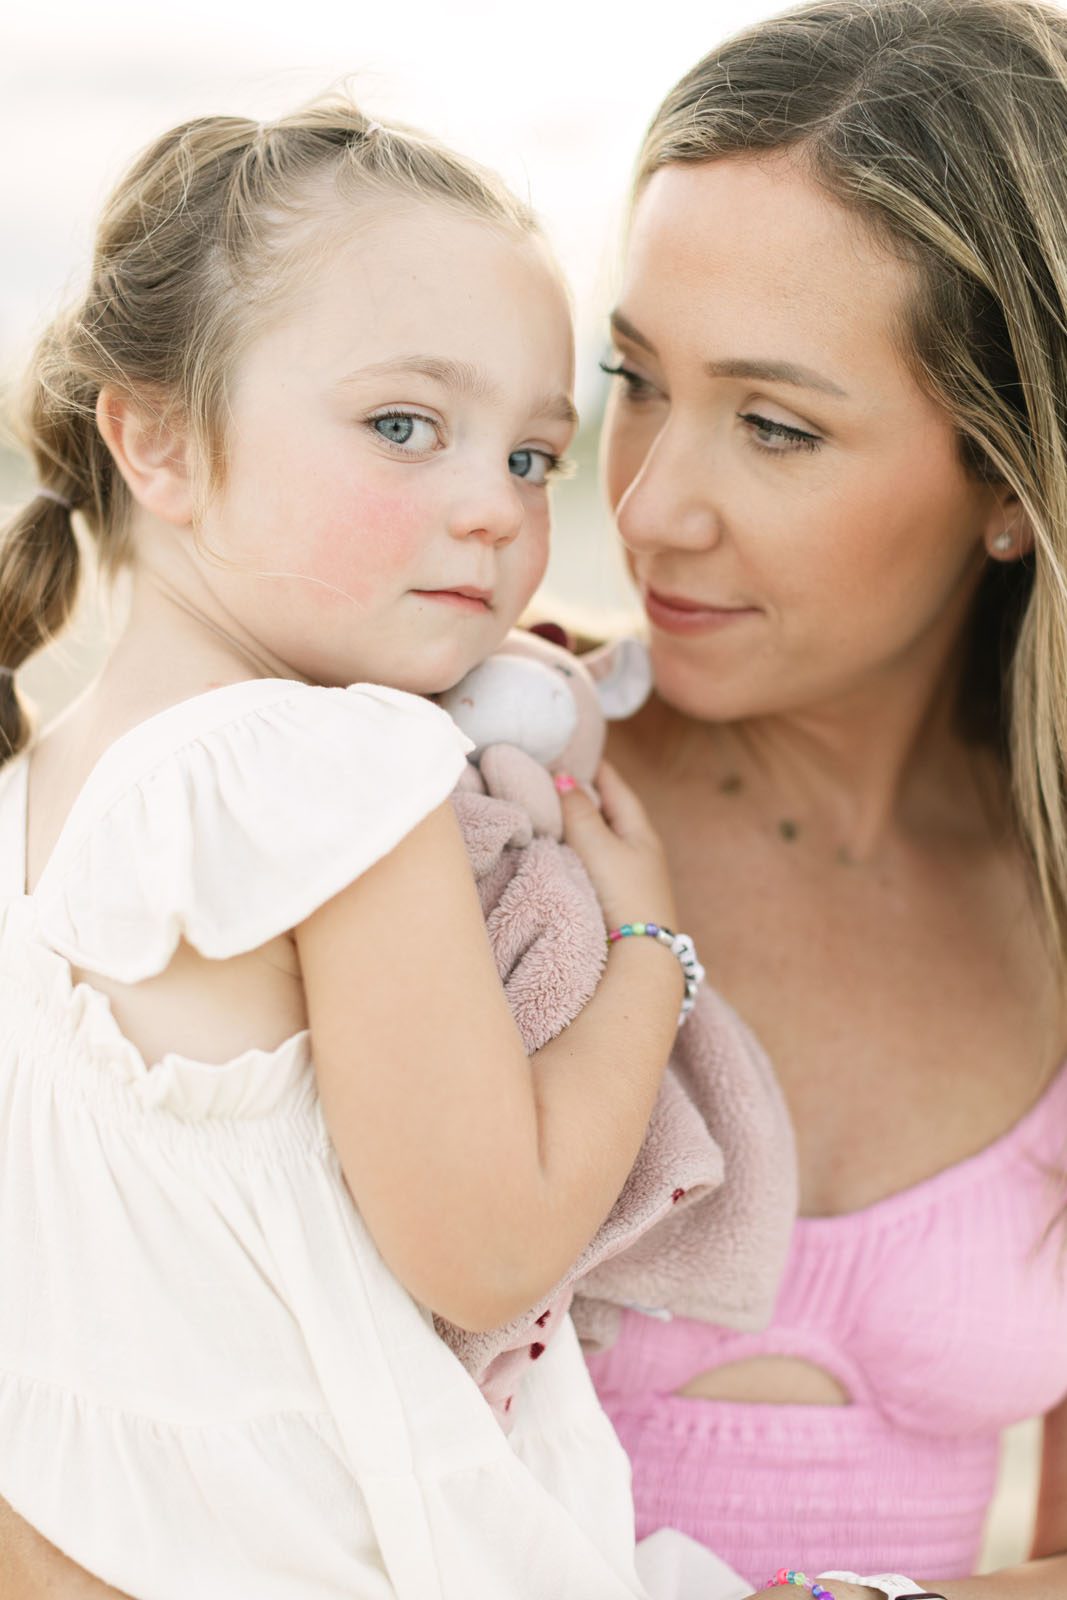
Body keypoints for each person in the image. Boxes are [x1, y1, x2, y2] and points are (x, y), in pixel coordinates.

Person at [0, 99, 696, 1599]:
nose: (495, 512)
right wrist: (649, 950)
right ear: (160, 441)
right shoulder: (330, 773)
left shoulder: (34, 786)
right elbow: (491, 1241)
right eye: (403, 427)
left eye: (530, 456)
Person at [583, 0, 1067, 1595]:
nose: (652, 508)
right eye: (633, 379)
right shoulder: (482, 810)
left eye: (774, 425)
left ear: (1007, 483)